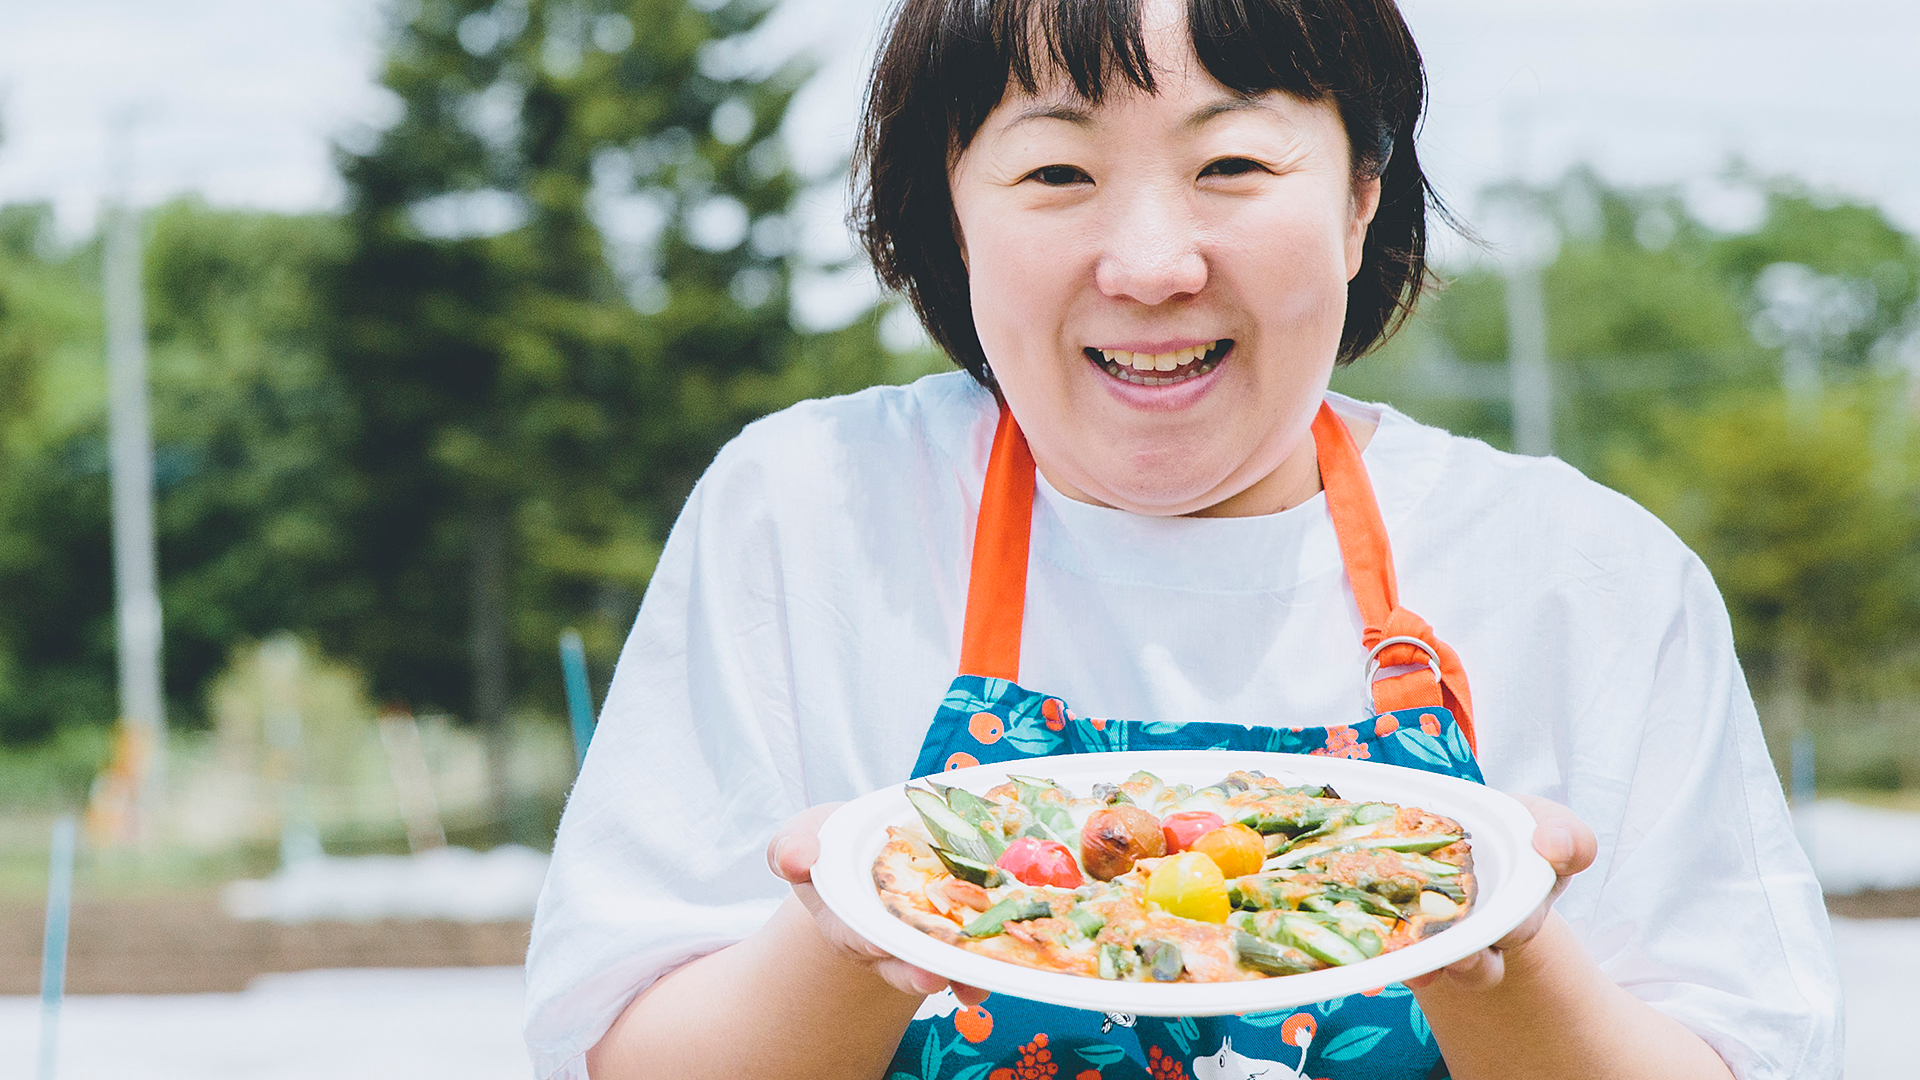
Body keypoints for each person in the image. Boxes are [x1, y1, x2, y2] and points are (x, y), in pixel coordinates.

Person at [523, 0, 1841, 1077]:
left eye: (1232, 165)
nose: (1150, 264)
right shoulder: (807, 512)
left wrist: (1496, 937)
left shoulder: (1585, 575)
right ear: (953, 206)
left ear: (1360, 196)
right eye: (1056, 171)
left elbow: (1750, 1055)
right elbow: (621, 1047)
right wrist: (858, 922)